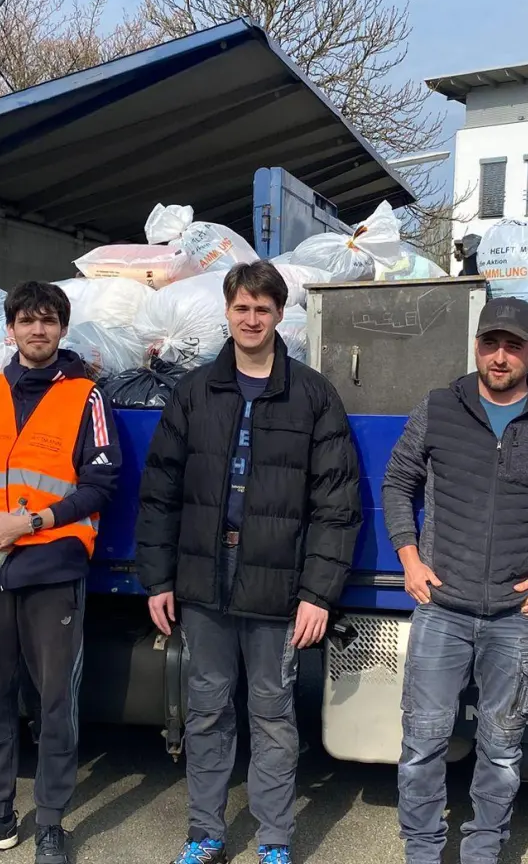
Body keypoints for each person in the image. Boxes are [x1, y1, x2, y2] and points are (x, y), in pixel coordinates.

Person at [135, 261, 361, 864]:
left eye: (263, 309)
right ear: (228, 312)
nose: (252, 319)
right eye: (242, 308)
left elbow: (337, 504)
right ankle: (205, 834)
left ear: (280, 315)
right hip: (204, 581)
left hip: (277, 586)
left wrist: (318, 593)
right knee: (206, 712)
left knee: (272, 716)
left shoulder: (313, 395)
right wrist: (157, 579)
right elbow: (160, 492)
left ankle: (274, 840)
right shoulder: (194, 392)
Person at [381, 296, 528, 864]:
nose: (500, 357)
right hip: (442, 609)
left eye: (514, 346)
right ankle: (423, 852)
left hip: (517, 617)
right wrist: (409, 557)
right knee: (422, 745)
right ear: (477, 345)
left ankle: (482, 851)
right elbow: (397, 483)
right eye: (490, 343)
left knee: (501, 752)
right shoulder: (438, 407)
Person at [0, 281, 122, 864]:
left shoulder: (88, 397)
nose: (37, 330)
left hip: (52, 566)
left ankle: (49, 822)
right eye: (27, 320)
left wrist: (32, 521)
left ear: (62, 330)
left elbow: (100, 483)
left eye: (48, 321)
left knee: (54, 702)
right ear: (10, 329)